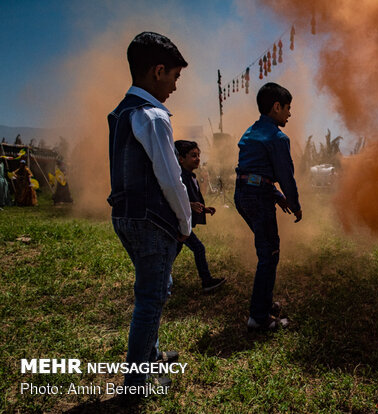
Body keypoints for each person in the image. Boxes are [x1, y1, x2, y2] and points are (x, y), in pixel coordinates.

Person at [107, 32, 191, 389]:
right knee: (151, 298)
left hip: (125, 216)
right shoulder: (154, 116)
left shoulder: (121, 112)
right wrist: (186, 221)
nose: (174, 86)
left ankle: (151, 356)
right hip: (151, 221)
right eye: (174, 76)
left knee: (157, 286)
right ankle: (138, 381)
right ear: (158, 71)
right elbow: (171, 179)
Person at [234, 82, 302, 332]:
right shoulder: (277, 137)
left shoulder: (249, 132)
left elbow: (252, 174)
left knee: (266, 250)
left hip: (243, 195)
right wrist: (294, 204)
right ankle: (259, 318)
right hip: (257, 199)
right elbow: (286, 177)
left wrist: (275, 195)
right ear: (276, 107)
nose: (289, 114)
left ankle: (263, 303)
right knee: (269, 254)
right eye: (288, 108)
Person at [174, 140, 226, 293]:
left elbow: (192, 199)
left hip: (184, 223)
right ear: (181, 158)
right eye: (193, 156)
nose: (197, 159)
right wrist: (190, 205)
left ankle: (158, 279)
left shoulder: (191, 177)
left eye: (198, 155)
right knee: (198, 248)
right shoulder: (178, 178)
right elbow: (174, 198)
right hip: (179, 223)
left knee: (171, 253)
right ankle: (207, 281)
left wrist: (204, 209)